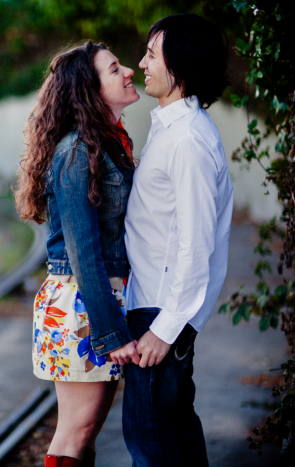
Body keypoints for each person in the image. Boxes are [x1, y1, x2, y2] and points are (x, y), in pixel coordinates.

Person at [15, 41, 142, 467]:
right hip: (81, 305)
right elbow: (82, 251)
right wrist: (112, 332)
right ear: (90, 90)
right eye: (113, 69)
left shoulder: (106, 144)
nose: (128, 71)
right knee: (76, 431)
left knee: (85, 433)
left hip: (97, 301)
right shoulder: (74, 152)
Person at [122, 14, 234, 466]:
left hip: (161, 312)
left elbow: (195, 244)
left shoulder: (187, 140)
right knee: (178, 438)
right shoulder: (173, 128)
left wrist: (163, 331)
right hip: (157, 307)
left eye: (152, 54)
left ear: (180, 65)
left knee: (151, 447)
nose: (142, 63)